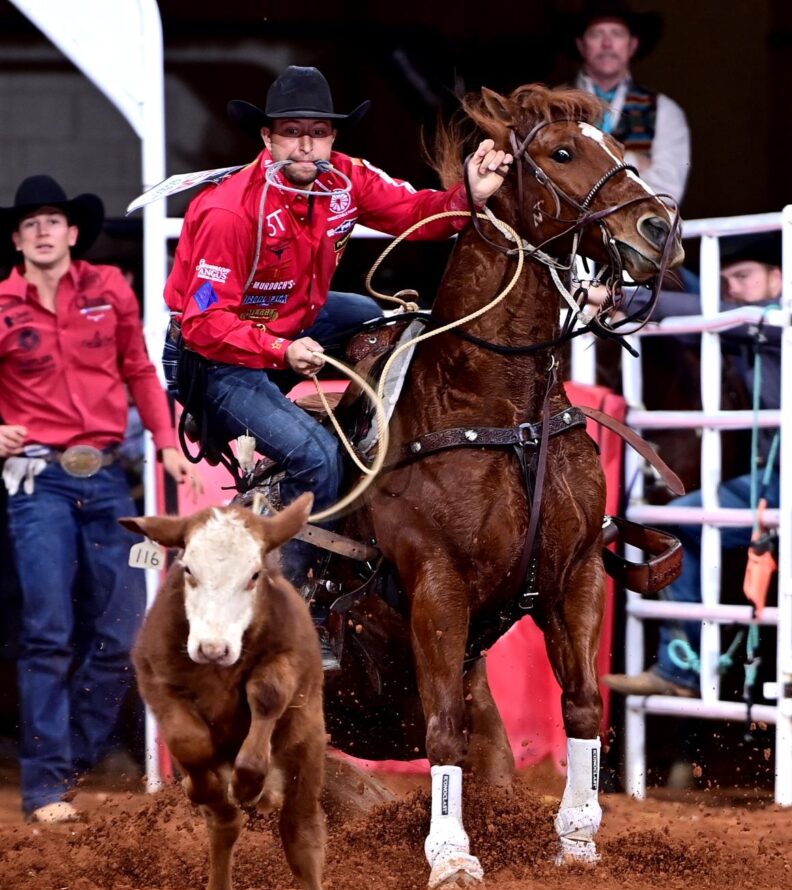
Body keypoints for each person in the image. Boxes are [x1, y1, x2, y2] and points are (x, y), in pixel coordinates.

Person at [164, 65, 512, 670]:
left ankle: (361, 430)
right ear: (267, 139)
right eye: (293, 133)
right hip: (216, 356)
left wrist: (470, 198)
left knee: (375, 317)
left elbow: (413, 214)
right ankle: (295, 604)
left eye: (319, 133)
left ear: (332, 138)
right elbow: (201, 324)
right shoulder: (227, 213)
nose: (307, 146)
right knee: (314, 457)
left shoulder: (346, 179)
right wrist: (280, 351)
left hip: (296, 322)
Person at [0, 174, 202, 824]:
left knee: (121, 632)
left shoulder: (108, 289)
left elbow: (140, 369)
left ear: (72, 232)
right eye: (30, 223)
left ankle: (73, 762)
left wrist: (167, 440)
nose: (42, 231)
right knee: (48, 631)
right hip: (38, 482)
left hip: (109, 477)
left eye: (52, 220)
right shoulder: (0, 302)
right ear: (17, 238)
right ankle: (46, 787)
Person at [603, 233, 783, 698]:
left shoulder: (778, 320)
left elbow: (710, 311)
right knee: (683, 522)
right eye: (727, 280)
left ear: (778, 279)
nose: (733, 288)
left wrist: (621, 296)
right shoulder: (746, 334)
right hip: (774, 483)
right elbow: (698, 306)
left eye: (742, 277)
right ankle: (680, 671)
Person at [557, 0, 691, 204]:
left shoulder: (664, 110)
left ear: (632, 45)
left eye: (617, 33)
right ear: (581, 45)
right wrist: (635, 160)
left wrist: (584, 171)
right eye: (596, 34)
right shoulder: (554, 109)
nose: (607, 44)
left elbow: (668, 192)